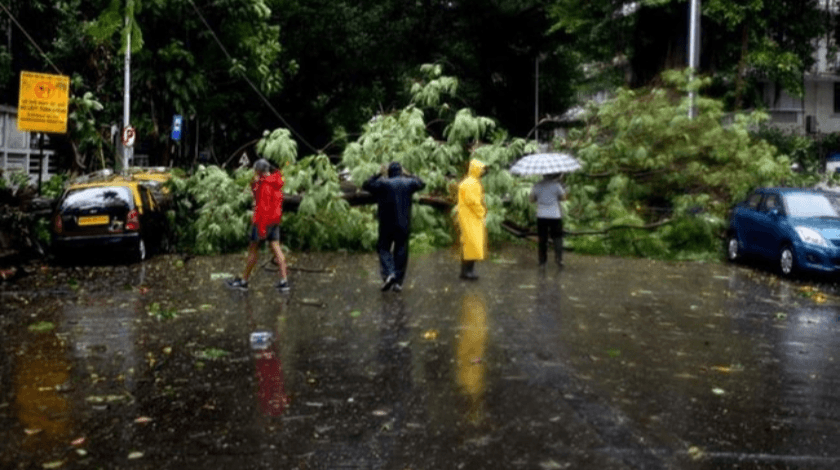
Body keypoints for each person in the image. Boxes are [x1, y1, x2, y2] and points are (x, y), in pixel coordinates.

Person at [227, 159, 290, 292]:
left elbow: (260, 202)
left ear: (258, 171)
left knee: (253, 249)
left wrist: (259, 226)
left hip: (262, 220)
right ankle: (284, 281)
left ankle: (244, 281)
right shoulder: (276, 181)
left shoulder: (263, 184)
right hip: (275, 220)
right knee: (276, 247)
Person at [363, 161, 426, 292]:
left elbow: (366, 185)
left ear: (389, 172)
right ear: (401, 172)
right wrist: (409, 175)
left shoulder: (382, 183)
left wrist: (378, 174)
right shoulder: (408, 183)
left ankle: (390, 272)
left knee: (383, 248)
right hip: (403, 223)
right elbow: (421, 183)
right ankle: (398, 282)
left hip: (386, 223)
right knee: (401, 250)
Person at [456, 159, 487, 280]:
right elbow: (473, 202)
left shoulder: (470, 182)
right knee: (472, 244)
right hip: (471, 217)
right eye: (481, 169)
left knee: (469, 244)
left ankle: (466, 271)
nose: (483, 172)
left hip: (468, 216)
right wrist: (482, 212)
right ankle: (467, 271)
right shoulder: (471, 183)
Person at [530, 173, 567, 267]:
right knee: (557, 238)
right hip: (555, 215)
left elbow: (531, 199)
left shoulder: (537, 185)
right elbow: (563, 198)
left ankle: (542, 261)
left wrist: (539, 198)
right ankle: (559, 259)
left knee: (542, 238)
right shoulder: (557, 185)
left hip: (542, 215)